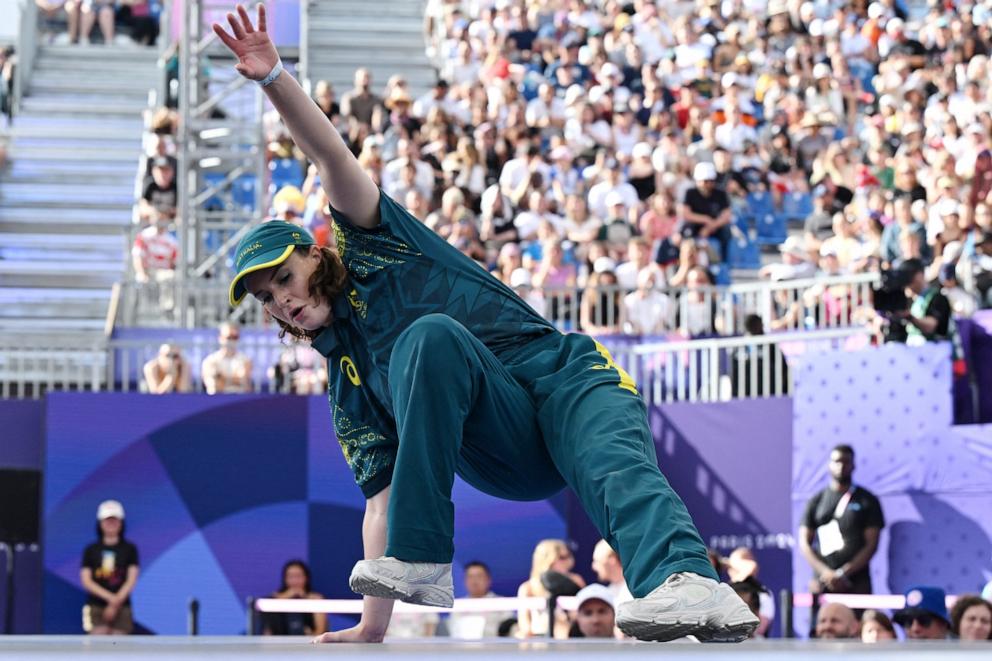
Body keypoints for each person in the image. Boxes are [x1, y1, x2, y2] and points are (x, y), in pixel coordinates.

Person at [216, 5, 758, 645]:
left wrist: (275, 75)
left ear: (316, 253)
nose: (282, 300)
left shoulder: (373, 242)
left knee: (609, 461)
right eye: (266, 298)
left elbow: (330, 154)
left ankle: (692, 587)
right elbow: (380, 500)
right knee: (433, 340)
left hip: (567, 381)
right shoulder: (348, 381)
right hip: (503, 442)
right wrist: (372, 625)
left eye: (284, 278)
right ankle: (422, 559)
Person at [799, 445, 884, 606]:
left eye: (846, 462)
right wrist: (826, 573)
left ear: (853, 465)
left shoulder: (867, 500)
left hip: (856, 583)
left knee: (858, 628)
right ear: (829, 464)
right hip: (823, 582)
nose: (841, 466)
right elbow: (804, 542)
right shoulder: (816, 501)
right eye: (836, 461)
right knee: (823, 628)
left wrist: (843, 573)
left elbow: (872, 544)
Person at [80, 500, 139, 635]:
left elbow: (131, 579)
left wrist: (116, 603)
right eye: (107, 520)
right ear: (100, 523)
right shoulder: (91, 550)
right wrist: (110, 599)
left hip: (122, 606)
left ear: (121, 523)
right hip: (95, 605)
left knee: (118, 647)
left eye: (115, 520)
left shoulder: (129, 549)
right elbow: (86, 581)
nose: (111, 524)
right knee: (97, 645)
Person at [516, 539, 585, 639]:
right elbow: (525, 625)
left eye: (568, 556)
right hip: (538, 641)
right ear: (547, 560)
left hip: (571, 640)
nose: (569, 561)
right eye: (562, 557)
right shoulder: (527, 588)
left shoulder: (576, 581)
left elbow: (585, 614)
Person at [447, 561, 512, 640]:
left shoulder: (502, 604)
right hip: (464, 649)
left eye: (479, 576)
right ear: (465, 581)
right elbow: (454, 631)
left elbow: (509, 630)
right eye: (470, 577)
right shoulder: (458, 606)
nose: (474, 581)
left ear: (488, 580)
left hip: (494, 649)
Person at [262, 560, 327, 636]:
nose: (295, 581)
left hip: (308, 644)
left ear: (306, 577)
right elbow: (266, 632)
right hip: (279, 643)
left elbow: (320, 633)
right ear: (285, 578)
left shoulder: (316, 600)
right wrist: (284, 598)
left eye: (298, 576)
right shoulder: (271, 601)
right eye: (291, 576)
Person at [201, 322, 253, 394]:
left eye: (235, 337)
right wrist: (235, 380)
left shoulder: (246, 360)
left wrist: (221, 377)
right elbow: (213, 385)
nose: (232, 341)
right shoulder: (210, 360)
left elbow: (244, 382)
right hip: (216, 401)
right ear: (220, 338)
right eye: (228, 337)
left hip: (239, 400)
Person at [590, 539, 632, 608]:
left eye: (597, 561)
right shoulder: (608, 592)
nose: (593, 567)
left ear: (612, 560)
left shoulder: (633, 589)